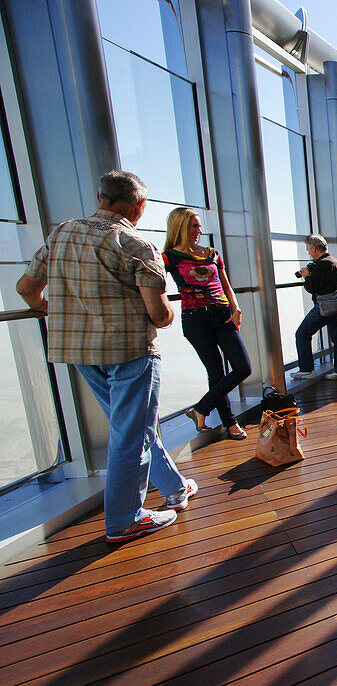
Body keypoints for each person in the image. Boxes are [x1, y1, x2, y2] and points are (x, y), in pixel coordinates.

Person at [16, 170, 197, 542]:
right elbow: (159, 316)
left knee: (131, 427)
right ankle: (124, 519)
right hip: (129, 350)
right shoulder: (136, 245)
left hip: (81, 350)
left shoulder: (61, 233)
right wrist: (171, 312)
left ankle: (176, 488)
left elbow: (26, 288)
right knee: (132, 434)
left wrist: (48, 306)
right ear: (139, 207)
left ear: (101, 198)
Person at [162, 207, 251, 440]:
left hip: (222, 314)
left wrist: (236, 308)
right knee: (215, 372)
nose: (199, 231)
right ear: (180, 227)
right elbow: (153, 283)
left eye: (199, 226)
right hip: (194, 318)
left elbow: (225, 285)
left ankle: (201, 408)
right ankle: (231, 424)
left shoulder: (212, 253)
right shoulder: (169, 257)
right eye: (194, 226)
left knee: (243, 367)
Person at [292, 234, 337, 381]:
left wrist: (307, 277)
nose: (308, 253)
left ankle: (306, 369)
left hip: (325, 306)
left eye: (308, 249)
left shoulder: (323, 265)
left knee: (302, 333)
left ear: (313, 248)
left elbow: (313, 287)